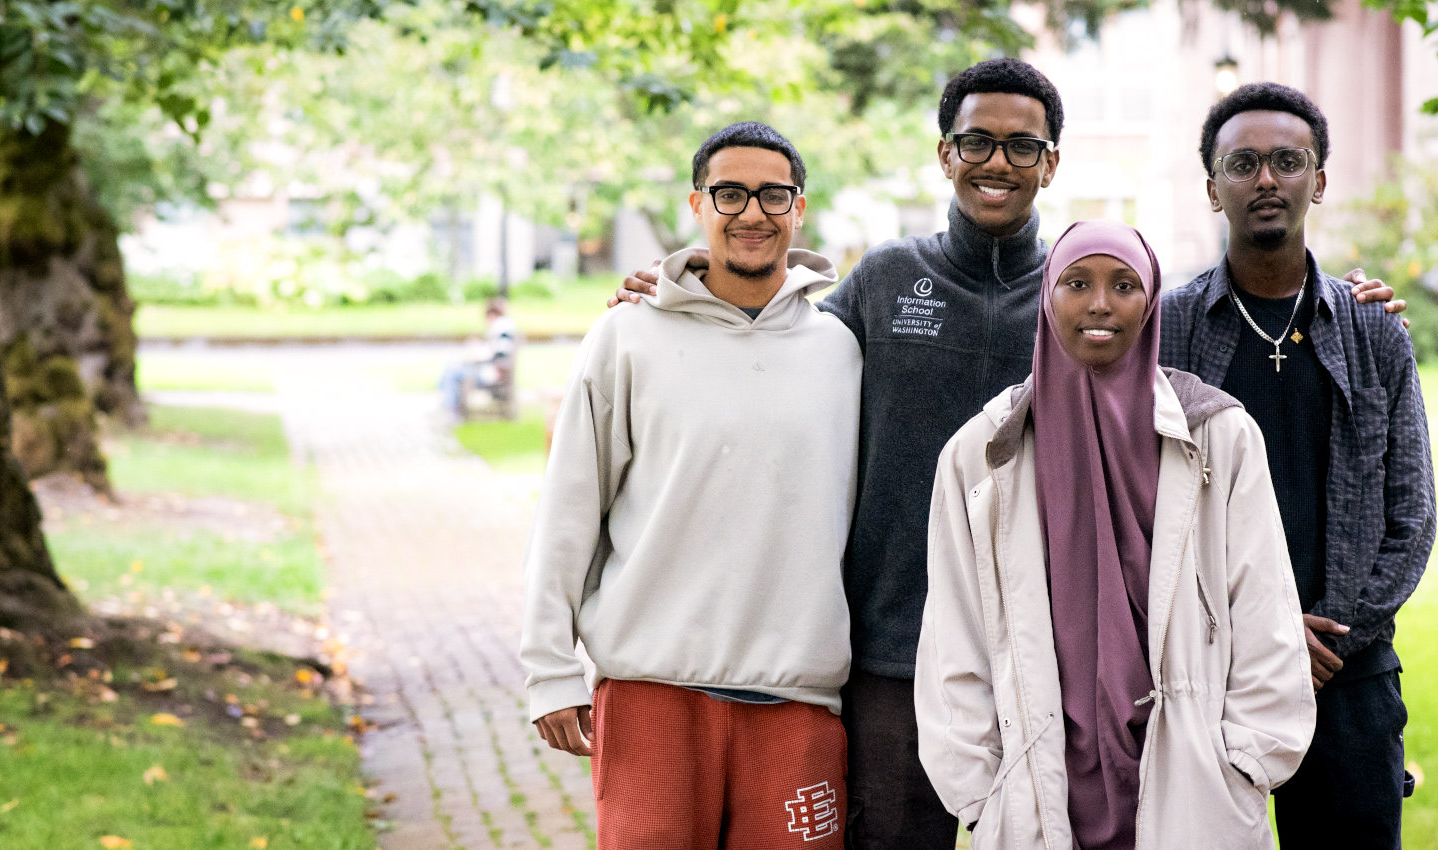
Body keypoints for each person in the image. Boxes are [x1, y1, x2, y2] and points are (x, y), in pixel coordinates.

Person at [609, 61, 1400, 848]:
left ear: (1051, 163)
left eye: (1023, 146)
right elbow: (779, 347)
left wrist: (1351, 301)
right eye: (977, 141)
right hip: (894, 644)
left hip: (1054, 655)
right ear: (946, 153)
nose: (998, 161)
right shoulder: (886, 280)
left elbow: (1199, 367)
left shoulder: (1081, 292)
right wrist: (683, 293)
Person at [914, 219, 1315, 849]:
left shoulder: (1219, 437)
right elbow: (953, 635)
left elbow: (1265, 609)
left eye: (1124, 284)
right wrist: (979, 791)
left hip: (1193, 787)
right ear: (1047, 296)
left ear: (1151, 301)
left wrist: (1248, 765)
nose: (1100, 303)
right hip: (1041, 788)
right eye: (1077, 282)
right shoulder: (982, 453)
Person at [519, 121, 861, 848]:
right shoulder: (627, 335)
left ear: (799, 209)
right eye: (729, 193)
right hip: (652, 689)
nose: (751, 213)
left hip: (796, 698)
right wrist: (549, 669)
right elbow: (569, 507)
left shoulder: (840, 350)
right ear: (698, 204)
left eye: (774, 195)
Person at [1160, 82, 1436, 849]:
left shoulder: (1373, 332)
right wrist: (1262, 641)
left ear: (1319, 179)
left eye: (1288, 161)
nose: (1267, 179)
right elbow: (1147, 510)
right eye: (1243, 163)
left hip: (1348, 676)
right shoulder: (1171, 330)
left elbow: (1412, 514)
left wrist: (1333, 638)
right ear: (1213, 189)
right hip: (1213, 679)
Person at [438, 298, 518, 417]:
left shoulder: (502, 327)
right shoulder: (505, 326)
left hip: (492, 374)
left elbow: (499, 356)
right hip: (491, 371)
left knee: (451, 371)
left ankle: (449, 410)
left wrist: (478, 352)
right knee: (451, 368)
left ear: (491, 314)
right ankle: (448, 407)